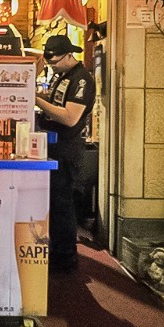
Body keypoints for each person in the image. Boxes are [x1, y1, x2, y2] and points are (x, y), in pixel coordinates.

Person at [34, 35, 96, 273]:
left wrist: (37, 100)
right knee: (55, 202)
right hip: (55, 146)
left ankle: (65, 259)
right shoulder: (63, 75)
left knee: (62, 203)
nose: (53, 66)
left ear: (70, 55)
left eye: (56, 61)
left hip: (67, 149)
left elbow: (70, 117)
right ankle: (57, 252)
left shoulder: (81, 79)